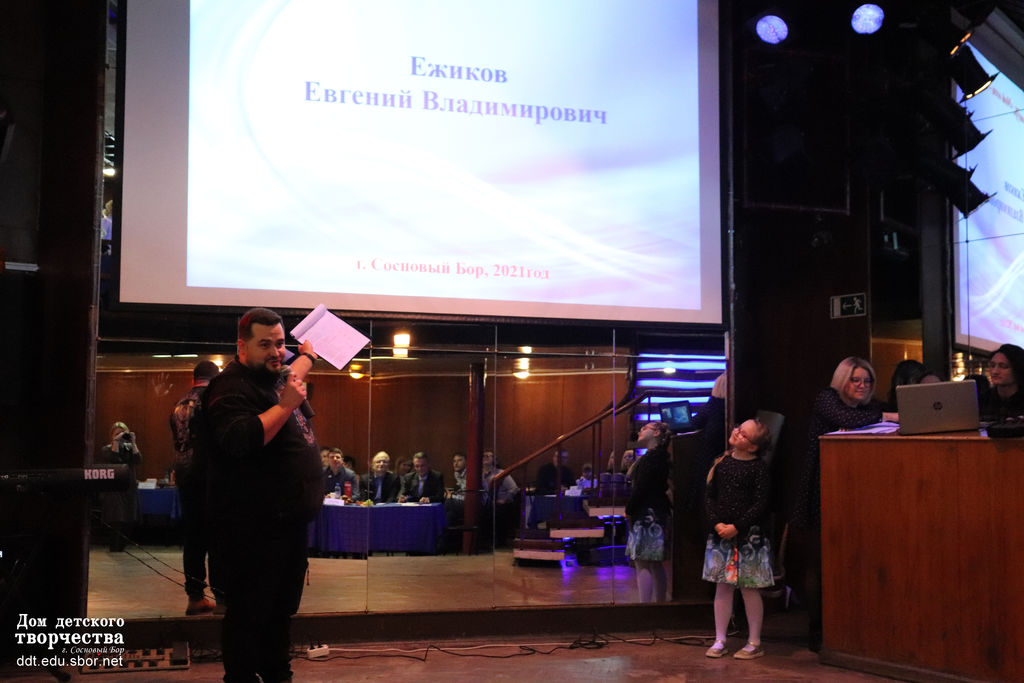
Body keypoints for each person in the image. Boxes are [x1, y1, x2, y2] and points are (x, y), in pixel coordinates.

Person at [200, 307, 323, 683]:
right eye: (265, 344)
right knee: (248, 614)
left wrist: (306, 357)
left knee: (279, 613)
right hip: (251, 529)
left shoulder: (275, 376)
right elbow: (241, 439)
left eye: (280, 343)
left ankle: (277, 675)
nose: (275, 352)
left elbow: (294, 370)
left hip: (286, 524)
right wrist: (286, 406)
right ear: (242, 346)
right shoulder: (230, 387)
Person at [791, 356, 897, 652]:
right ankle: (817, 630)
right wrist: (886, 417)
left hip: (855, 495)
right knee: (819, 564)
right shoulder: (827, 399)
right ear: (842, 380)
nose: (862, 386)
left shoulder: (870, 408)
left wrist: (882, 415)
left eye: (867, 381)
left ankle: (849, 628)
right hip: (819, 491)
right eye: (856, 379)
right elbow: (848, 420)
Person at [702, 418, 774, 660]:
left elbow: (761, 504)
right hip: (721, 534)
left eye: (744, 434)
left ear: (753, 446)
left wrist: (737, 527)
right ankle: (720, 638)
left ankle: (754, 642)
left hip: (749, 537)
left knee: (749, 588)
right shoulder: (721, 463)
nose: (737, 433)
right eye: (738, 429)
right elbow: (709, 497)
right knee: (722, 587)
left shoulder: (759, 468)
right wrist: (716, 523)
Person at [169, 360, 222, 615]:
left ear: (194, 379)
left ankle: (195, 597)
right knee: (218, 538)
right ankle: (223, 597)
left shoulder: (179, 404)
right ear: (216, 379)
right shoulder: (211, 401)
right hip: (209, 475)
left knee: (193, 538)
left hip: (184, 474)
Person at [625, 422, 673, 603]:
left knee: (642, 562)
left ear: (656, 432)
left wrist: (629, 508)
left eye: (644, 428)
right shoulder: (661, 457)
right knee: (654, 563)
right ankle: (659, 605)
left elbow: (642, 488)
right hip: (657, 511)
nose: (640, 430)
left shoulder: (651, 458)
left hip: (646, 513)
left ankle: (644, 607)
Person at [98, 421, 142, 552]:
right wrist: (116, 443)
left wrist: (133, 443)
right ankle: (115, 547)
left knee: (130, 519)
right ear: (111, 435)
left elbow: (138, 460)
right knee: (117, 519)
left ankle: (121, 547)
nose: (121, 436)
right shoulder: (106, 449)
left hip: (129, 488)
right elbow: (114, 461)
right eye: (117, 433)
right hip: (115, 490)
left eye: (123, 433)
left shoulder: (129, 449)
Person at [689, 373, 727, 511]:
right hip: (719, 455)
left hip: (708, 457)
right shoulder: (725, 407)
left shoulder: (713, 405)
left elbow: (694, 423)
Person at [979, 343, 1024, 421]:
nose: (995, 371)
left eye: (1003, 366)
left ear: (1018, 369)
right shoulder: (982, 400)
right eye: (992, 365)